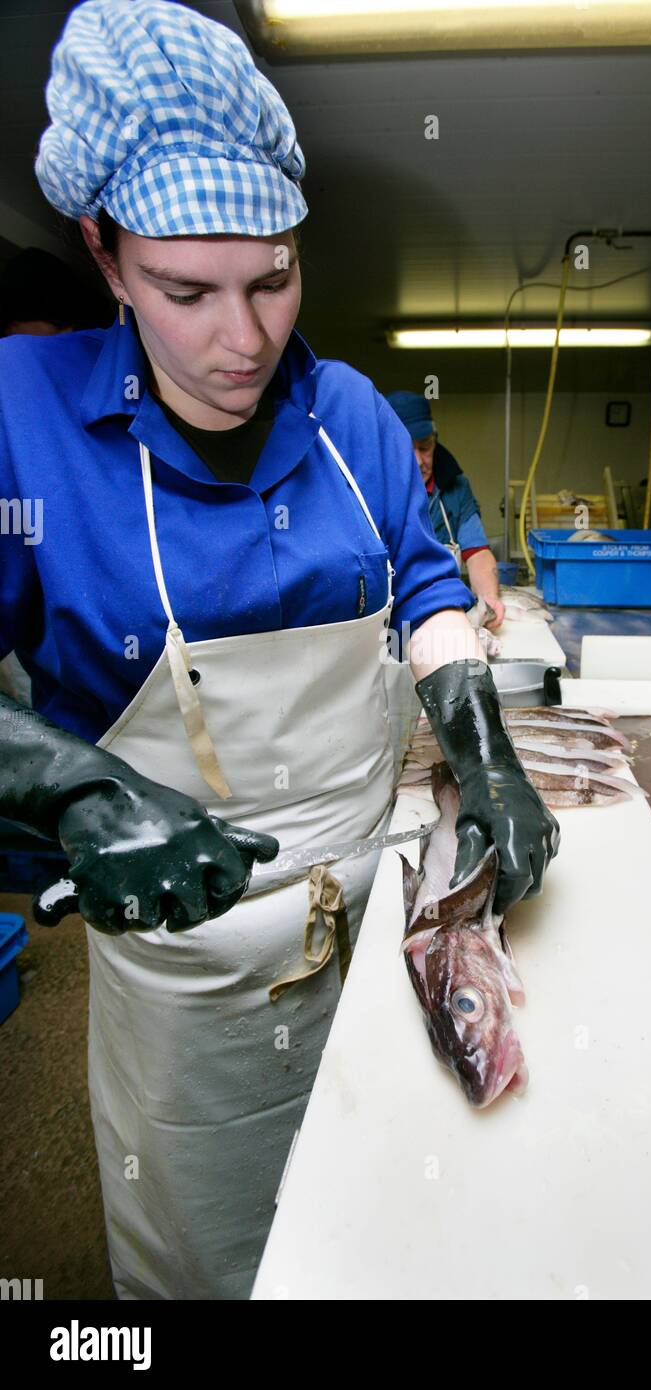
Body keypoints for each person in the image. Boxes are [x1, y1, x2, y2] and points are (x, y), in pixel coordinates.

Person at [0, 0, 559, 1300]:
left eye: (273, 278)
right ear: (103, 254)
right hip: (191, 975)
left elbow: (427, 584)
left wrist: (489, 755)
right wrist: (75, 791)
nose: (243, 341)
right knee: (214, 1255)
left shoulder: (354, 411)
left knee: (381, 1226)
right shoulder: (22, 424)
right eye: (185, 291)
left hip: (374, 924)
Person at [386, 391, 505, 629]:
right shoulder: (371, 493)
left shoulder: (456, 487)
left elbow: (477, 552)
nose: (420, 461)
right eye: (408, 449)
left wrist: (489, 598)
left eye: (426, 446)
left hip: (444, 617)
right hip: (388, 625)